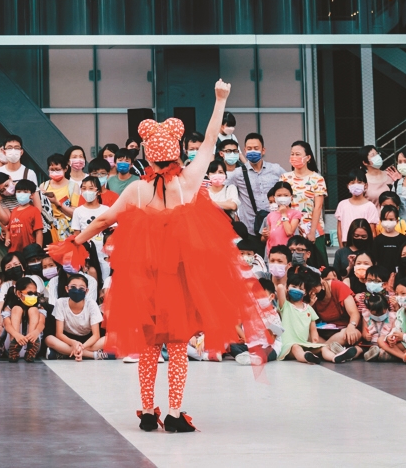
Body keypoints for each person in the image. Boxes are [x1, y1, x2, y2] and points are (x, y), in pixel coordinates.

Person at [54, 81, 260, 433]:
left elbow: (103, 219)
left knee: (149, 347)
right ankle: (176, 413)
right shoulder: (192, 181)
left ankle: (148, 411)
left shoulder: (136, 189)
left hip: (143, 280)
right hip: (182, 281)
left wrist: (73, 241)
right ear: (178, 152)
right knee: (178, 348)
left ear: (148, 154)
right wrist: (219, 100)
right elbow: (211, 140)